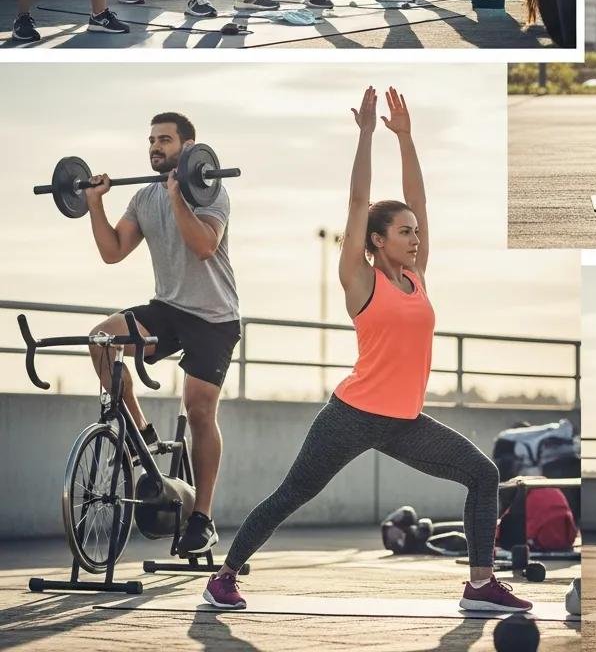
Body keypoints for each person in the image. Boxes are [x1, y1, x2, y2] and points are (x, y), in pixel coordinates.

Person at [203, 87, 531, 614]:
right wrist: (367, 135)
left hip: (405, 421)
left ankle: (479, 585)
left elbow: (419, 200)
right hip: (351, 416)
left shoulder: (417, 277)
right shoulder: (360, 281)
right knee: (294, 492)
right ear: (376, 240)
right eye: (404, 232)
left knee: (483, 474)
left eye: (416, 232)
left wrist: (407, 138)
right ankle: (224, 576)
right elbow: (359, 203)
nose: (415, 238)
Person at [83, 112, 240, 556]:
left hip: (214, 317)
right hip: (168, 309)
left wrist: (177, 195)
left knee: (199, 408)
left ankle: (202, 518)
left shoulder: (211, 191)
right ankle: (143, 433)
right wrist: (95, 203)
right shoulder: (143, 197)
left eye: (165, 140)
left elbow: (204, 246)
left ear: (189, 147)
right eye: (152, 140)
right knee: (101, 341)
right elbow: (113, 251)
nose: (155, 147)